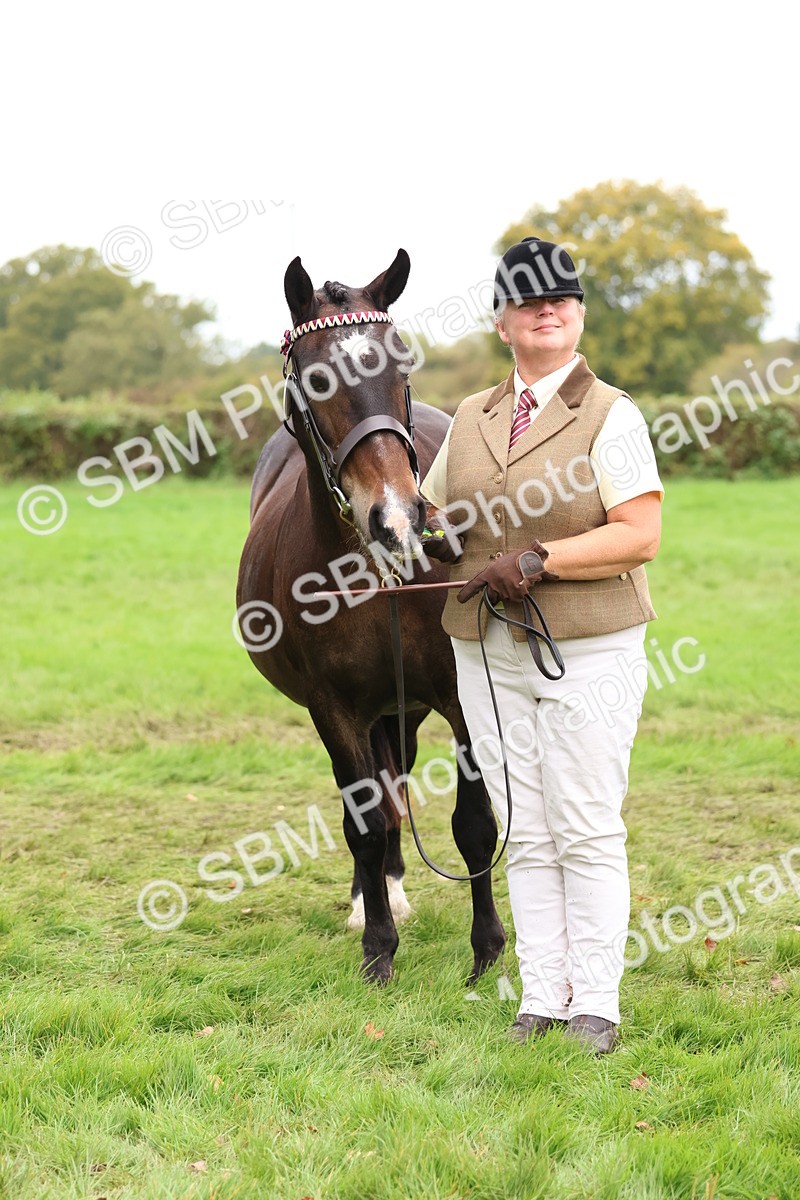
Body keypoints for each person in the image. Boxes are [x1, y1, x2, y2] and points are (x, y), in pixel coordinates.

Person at [421, 237, 663, 1055]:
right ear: (503, 322)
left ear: (579, 313)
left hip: (589, 647)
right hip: (486, 649)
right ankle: (541, 995)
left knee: (586, 824)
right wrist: (428, 530)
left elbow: (640, 535)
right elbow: (432, 517)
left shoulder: (610, 413)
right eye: (528, 299)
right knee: (524, 825)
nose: (547, 307)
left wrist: (541, 558)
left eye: (562, 296)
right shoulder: (469, 417)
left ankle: (596, 1001)